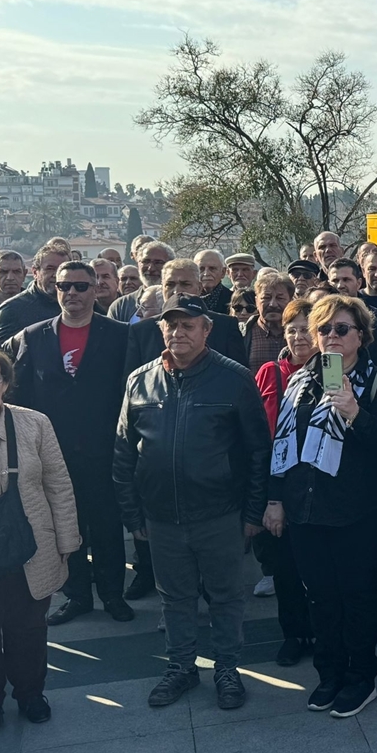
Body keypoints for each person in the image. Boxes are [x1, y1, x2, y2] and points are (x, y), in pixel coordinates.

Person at [114, 295, 270, 711]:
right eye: (172, 325)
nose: (179, 332)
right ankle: (181, 667)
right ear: (161, 329)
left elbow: (259, 451)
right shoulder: (139, 380)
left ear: (206, 330)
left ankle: (226, 669)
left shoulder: (234, 379)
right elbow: (124, 452)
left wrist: (253, 513)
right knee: (174, 597)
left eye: (188, 325)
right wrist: (132, 514)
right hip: (161, 517)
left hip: (220, 514)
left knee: (226, 596)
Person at [267, 295, 377, 716]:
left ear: (361, 335)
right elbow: (283, 445)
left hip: (356, 510)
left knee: (357, 596)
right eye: (324, 329)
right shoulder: (301, 380)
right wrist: (275, 499)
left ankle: (361, 676)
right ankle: (330, 673)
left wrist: (355, 412)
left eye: (342, 329)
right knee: (321, 596)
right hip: (306, 508)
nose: (331, 337)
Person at [6, 261, 132, 626]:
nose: (71, 294)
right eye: (64, 287)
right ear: (54, 290)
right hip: (53, 453)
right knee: (66, 526)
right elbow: (21, 396)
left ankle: (112, 594)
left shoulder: (121, 334)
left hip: (106, 448)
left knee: (107, 526)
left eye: (80, 286)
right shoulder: (33, 336)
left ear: (95, 289)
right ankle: (77, 595)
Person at [0, 348, 80, 735]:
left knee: (29, 629)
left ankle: (31, 695)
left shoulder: (35, 424)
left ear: (6, 383)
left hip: (32, 548)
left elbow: (58, 483)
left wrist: (68, 537)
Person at [252, 298, 315, 666]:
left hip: (318, 483)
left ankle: (320, 630)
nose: (298, 336)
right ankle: (293, 633)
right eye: (292, 329)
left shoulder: (333, 371)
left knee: (318, 569)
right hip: (278, 481)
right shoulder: (269, 373)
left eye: (306, 329)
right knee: (286, 567)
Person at [123, 260, 249, 378]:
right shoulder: (141, 331)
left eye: (185, 284)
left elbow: (239, 377)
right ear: (162, 289)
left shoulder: (225, 326)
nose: (176, 291)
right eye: (170, 285)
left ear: (199, 288)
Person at [0, 242, 67, 343]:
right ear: (35, 272)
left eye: (62, 269)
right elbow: (1, 355)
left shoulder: (84, 304)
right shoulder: (12, 309)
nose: (56, 275)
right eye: (50, 269)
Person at [242, 273, 295, 374]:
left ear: (291, 301)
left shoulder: (301, 335)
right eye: (266, 298)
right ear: (256, 301)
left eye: (280, 298)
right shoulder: (243, 334)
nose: (273, 304)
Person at [108, 241, 173, 322]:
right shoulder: (121, 306)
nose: (151, 268)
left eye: (158, 262)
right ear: (138, 264)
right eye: (146, 261)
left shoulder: (177, 301)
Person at [195, 250, 231, 314]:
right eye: (201, 269)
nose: (206, 273)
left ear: (223, 272)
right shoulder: (186, 299)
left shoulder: (233, 300)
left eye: (212, 268)